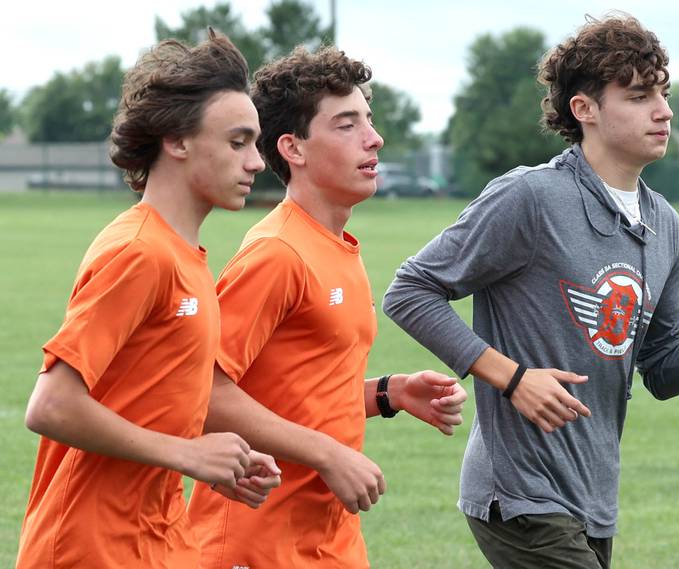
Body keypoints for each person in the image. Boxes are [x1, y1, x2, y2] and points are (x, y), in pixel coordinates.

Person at [383, 14, 679, 569]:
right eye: (637, 95)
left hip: (591, 496)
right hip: (518, 495)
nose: (663, 111)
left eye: (663, 93)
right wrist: (510, 378)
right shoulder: (530, 197)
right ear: (584, 109)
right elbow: (410, 290)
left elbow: (658, 370)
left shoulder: (666, 226)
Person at [187, 45, 468, 569]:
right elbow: (201, 392)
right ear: (293, 148)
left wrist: (391, 393)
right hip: (253, 542)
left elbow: (294, 393)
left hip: (329, 538)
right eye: (346, 124)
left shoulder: (335, 245)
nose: (374, 137)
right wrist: (328, 453)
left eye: (369, 118)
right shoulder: (277, 253)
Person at [16, 31, 281, 569]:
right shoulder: (141, 252)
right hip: (87, 547)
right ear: (176, 141)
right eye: (238, 142)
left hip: (156, 539)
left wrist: (220, 460)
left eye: (255, 143)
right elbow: (51, 405)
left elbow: (155, 400)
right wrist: (188, 454)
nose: (257, 162)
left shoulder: (186, 255)